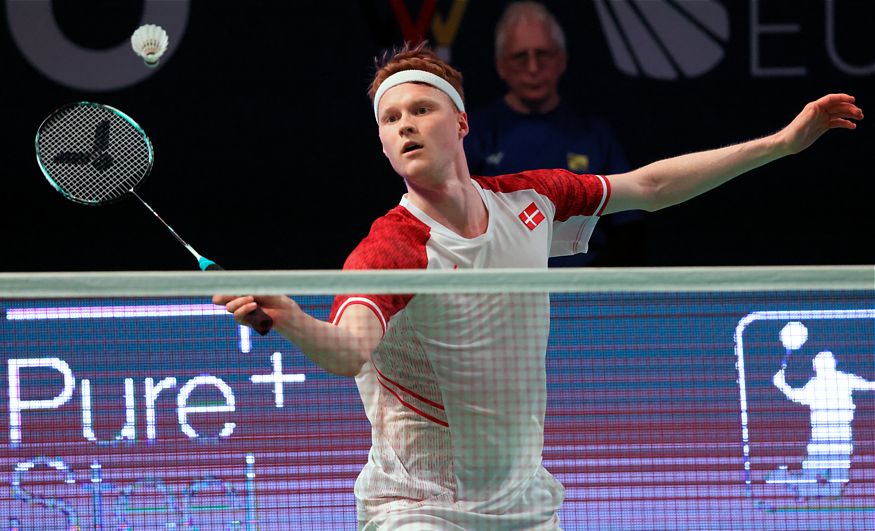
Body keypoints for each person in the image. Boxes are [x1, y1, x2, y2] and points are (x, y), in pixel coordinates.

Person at [214, 42, 862, 529]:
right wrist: (291, 316)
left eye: (420, 108)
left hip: (522, 502)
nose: (404, 125)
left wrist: (781, 143)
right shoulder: (394, 246)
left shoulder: (530, 200)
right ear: (382, 145)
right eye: (389, 119)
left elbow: (651, 187)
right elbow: (348, 349)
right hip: (415, 507)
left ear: (460, 123)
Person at [465, 1, 643, 266]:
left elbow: (628, 226)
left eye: (543, 54)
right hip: (500, 293)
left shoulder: (594, 134)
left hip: (583, 294)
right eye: (520, 56)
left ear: (561, 60)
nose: (533, 67)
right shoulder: (472, 132)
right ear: (501, 65)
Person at [768, 351, 875, 497]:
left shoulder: (842, 379)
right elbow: (869, 386)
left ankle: (791, 481)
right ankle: (795, 482)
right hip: (822, 436)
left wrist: (782, 385)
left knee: (835, 489)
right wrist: (782, 385)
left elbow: (795, 396)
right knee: (819, 483)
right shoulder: (819, 383)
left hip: (841, 435)